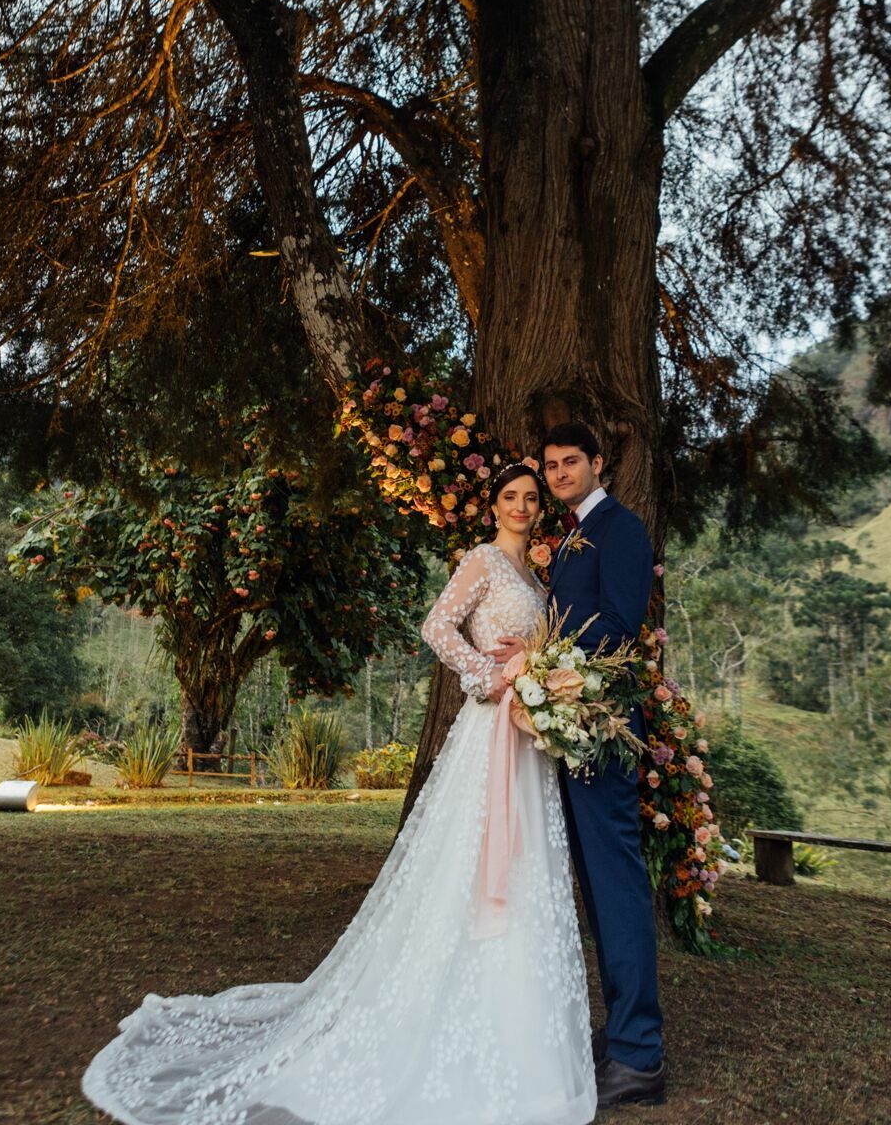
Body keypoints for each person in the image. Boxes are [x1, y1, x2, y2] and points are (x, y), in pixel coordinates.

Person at [81, 460, 597, 1125]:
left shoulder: (536, 575)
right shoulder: (482, 561)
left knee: (528, 862)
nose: (522, 507)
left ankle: (518, 1024)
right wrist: (485, 673)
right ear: (492, 505)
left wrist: (540, 679)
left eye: (530, 498)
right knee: (464, 862)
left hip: (526, 739)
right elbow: (436, 627)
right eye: (510, 497)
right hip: (487, 731)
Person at [489, 423, 666, 1109]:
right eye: (551, 465)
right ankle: (621, 1031)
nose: (560, 472)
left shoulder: (619, 529)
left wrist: (539, 661)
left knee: (616, 885)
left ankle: (640, 1055)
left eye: (571, 462)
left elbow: (618, 627)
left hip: (603, 729)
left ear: (597, 463)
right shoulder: (569, 538)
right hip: (574, 729)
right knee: (596, 888)